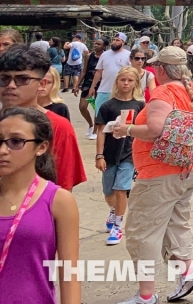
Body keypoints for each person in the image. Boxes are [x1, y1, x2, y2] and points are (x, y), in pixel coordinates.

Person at [112, 46, 193, 304]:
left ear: (162, 69)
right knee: (175, 222)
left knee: (142, 231)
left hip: (161, 172)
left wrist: (127, 129)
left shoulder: (163, 92)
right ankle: (188, 271)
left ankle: (146, 295)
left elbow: (155, 130)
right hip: (190, 165)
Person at [0, 106, 81, 304]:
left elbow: (69, 273)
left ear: (41, 147)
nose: (3, 150)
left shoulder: (58, 201)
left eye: (16, 142)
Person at [0, 45, 87, 192]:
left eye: (23, 79)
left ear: (41, 84)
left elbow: (63, 188)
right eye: (4, 79)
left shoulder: (59, 126)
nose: (11, 85)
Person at [95, 66, 146, 246]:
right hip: (109, 152)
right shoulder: (108, 106)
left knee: (120, 189)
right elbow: (101, 131)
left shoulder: (139, 105)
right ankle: (114, 209)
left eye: (130, 80)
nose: (126, 83)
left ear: (135, 83)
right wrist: (99, 155)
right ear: (117, 81)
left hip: (129, 153)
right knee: (109, 191)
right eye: (123, 80)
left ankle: (118, 226)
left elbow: (144, 130)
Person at [89, 32, 132, 111]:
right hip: (104, 89)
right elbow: (99, 72)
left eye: (118, 40)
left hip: (120, 91)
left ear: (123, 42)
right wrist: (92, 87)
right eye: (114, 40)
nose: (115, 42)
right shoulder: (104, 54)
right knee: (99, 113)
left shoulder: (129, 55)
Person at [78, 39, 105, 138]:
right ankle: (90, 124)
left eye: (99, 44)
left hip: (101, 84)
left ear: (104, 46)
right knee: (82, 106)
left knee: (97, 107)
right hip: (88, 82)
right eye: (95, 43)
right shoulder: (89, 56)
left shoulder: (105, 56)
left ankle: (95, 131)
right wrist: (77, 85)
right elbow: (84, 70)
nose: (96, 45)